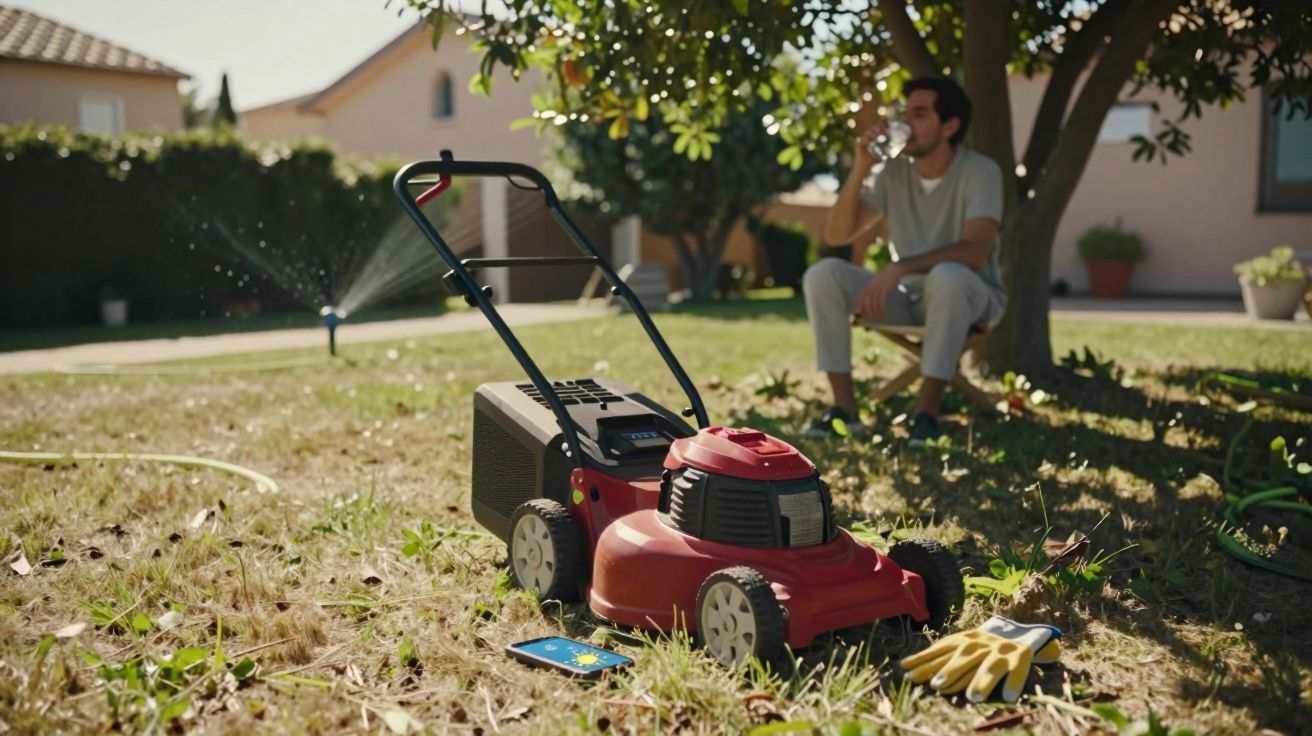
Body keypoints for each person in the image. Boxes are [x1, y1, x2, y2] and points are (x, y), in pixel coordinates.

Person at [803, 76, 1005, 445]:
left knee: (948, 276)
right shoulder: (892, 172)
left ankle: (926, 414)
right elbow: (836, 235)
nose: (905, 122)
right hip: (907, 300)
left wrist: (898, 267)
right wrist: (861, 168)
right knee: (823, 274)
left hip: (972, 298)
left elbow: (975, 250)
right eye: (905, 112)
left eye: (920, 113)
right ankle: (844, 411)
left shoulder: (981, 171)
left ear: (950, 126)